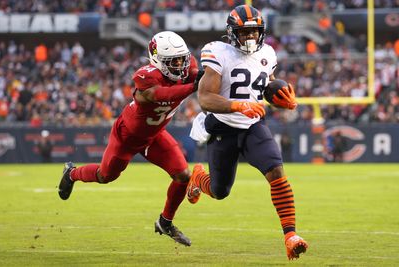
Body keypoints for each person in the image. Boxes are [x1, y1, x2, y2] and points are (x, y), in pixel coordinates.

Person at [58, 31, 202, 247]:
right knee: (105, 176)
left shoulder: (187, 67)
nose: (180, 64)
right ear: (158, 59)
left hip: (154, 136)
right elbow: (158, 95)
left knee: (183, 175)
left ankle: (165, 222)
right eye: (174, 61)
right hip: (127, 136)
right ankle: (72, 173)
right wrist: (193, 86)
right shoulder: (146, 78)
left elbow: (202, 77)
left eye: (182, 59)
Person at [187, 5, 308, 260]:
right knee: (220, 191)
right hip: (223, 127)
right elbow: (205, 98)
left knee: (276, 170)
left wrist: (280, 98)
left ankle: (290, 235)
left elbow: (265, 84)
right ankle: (198, 177)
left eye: (254, 32)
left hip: (253, 125)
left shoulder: (268, 53)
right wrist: (236, 104)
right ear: (232, 33)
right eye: (244, 33)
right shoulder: (218, 52)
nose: (250, 38)